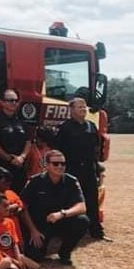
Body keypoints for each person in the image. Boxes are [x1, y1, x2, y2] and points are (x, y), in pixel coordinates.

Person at [55, 97, 111, 241]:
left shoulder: (91, 126)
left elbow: (95, 149)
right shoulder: (64, 128)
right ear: (71, 110)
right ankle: (68, 232)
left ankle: (97, 232)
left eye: (84, 106)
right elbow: (59, 150)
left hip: (88, 169)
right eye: (79, 107)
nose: (83, 109)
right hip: (72, 170)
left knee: (92, 201)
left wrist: (97, 168)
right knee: (70, 201)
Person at [21, 149, 90, 265]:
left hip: (61, 221)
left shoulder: (71, 181)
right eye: (55, 163)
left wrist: (62, 213)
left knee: (83, 221)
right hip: (40, 225)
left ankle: (65, 252)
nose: (60, 166)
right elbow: (23, 207)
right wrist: (33, 230)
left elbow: (82, 207)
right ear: (46, 165)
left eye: (63, 164)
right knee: (35, 256)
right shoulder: (35, 181)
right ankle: (45, 247)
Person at [0, 89, 31, 191]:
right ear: (3, 102)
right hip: (2, 168)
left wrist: (22, 157)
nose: (14, 103)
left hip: (19, 168)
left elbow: (28, 142)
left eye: (16, 100)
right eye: (10, 100)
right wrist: (9, 159)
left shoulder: (21, 121)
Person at [0, 194, 40, 269]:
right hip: (0, 257)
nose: (8, 208)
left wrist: (18, 259)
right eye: (5, 206)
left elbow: (14, 244)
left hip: (13, 255)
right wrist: (14, 261)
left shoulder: (10, 222)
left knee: (36, 267)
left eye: (8, 205)